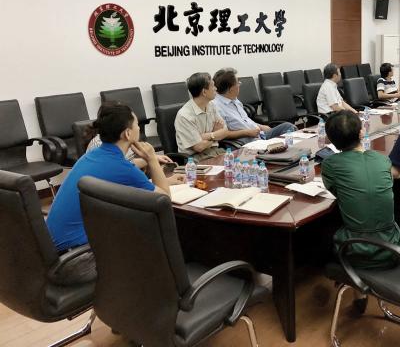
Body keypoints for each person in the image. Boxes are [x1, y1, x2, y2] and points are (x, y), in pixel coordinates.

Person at [46, 101, 181, 283]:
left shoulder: (91, 155)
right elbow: (164, 198)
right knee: (150, 238)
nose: (139, 128)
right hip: (77, 261)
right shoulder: (120, 166)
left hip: (55, 256)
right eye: (137, 124)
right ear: (127, 133)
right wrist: (151, 159)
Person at [321, 111, 400, 269]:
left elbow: (336, 192)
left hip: (355, 251)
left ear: (330, 140)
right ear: (361, 133)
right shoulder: (382, 159)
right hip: (393, 247)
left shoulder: (330, 164)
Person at [213, 68, 295, 145]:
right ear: (230, 89)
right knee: (282, 143)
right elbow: (223, 134)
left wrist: (260, 126)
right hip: (247, 141)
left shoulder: (234, 99)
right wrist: (246, 133)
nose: (239, 84)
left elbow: (245, 120)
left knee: (288, 127)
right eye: (238, 83)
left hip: (259, 134)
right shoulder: (217, 107)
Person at [175, 72, 229, 161]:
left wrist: (204, 136)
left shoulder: (211, 105)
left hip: (215, 151)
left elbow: (225, 131)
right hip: (196, 158)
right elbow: (199, 147)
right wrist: (214, 134)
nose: (216, 88)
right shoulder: (184, 115)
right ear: (204, 92)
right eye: (213, 86)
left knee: (239, 165)